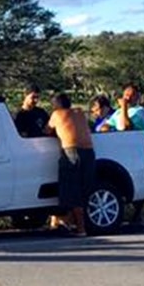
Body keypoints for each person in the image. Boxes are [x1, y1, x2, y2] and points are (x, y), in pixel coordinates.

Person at [0, 84, 49, 233]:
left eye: (37, 97)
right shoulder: (20, 116)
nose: (35, 100)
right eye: (33, 97)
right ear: (25, 96)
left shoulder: (41, 113)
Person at [47, 92, 95, 236]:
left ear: (57, 105)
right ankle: (70, 222)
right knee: (84, 188)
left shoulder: (57, 115)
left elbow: (47, 130)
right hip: (89, 152)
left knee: (72, 190)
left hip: (71, 151)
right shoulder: (80, 112)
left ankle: (80, 228)